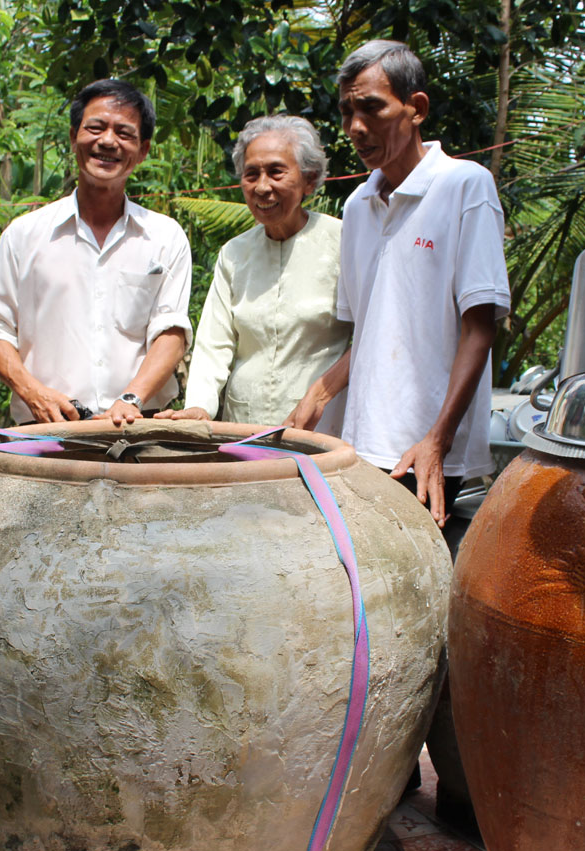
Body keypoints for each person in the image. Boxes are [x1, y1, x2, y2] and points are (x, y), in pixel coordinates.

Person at [290, 40, 509, 537]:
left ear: (417, 109)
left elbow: (480, 329)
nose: (356, 127)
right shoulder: (356, 207)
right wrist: (320, 392)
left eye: (372, 108)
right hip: (362, 444)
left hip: (428, 454)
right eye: (347, 112)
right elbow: (369, 331)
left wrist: (437, 439)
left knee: (419, 592)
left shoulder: (464, 186)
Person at [0, 79, 192, 426]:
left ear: (144, 150)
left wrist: (131, 399)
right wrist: (33, 393)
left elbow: (172, 331)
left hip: (139, 426)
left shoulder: (165, 237)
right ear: (74, 134)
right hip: (47, 426)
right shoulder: (24, 235)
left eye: (124, 133)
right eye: (96, 128)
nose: (108, 141)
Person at [156, 115, 347, 431]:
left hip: (322, 427)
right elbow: (214, 343)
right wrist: (199, 407)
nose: (262, 187)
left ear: (309, 180)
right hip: (244, 428)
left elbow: (369, 334)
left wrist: (323, 394)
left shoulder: (342, 242)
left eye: (276, 172)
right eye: (251, 174)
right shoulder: (235, 253)